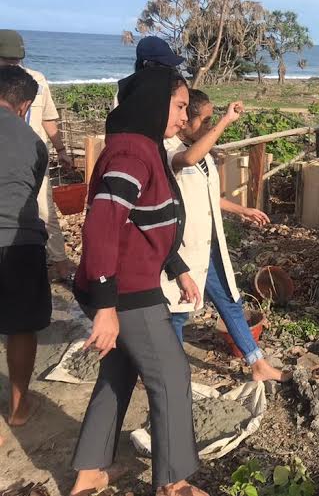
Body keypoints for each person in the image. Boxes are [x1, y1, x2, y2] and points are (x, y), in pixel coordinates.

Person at [70, 67, 207, 496]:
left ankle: (90, 470)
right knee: (170, 373)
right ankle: (174, 483)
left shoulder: (144, 147)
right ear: (152, 101)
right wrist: (107, 306)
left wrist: (176, 266)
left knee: (119, 371)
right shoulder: (131, 153)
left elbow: (147, 220)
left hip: (133, 282)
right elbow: (103, 226)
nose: (185, 118)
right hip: (126, 291)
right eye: (181, 106)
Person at [163, 89, 287, 382]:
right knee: (178, 311)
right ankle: (170, 373)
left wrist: (241, 209)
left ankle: (258, 364)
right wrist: (226, 121)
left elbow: (207, 196)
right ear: (185, 120)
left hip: (208, 243)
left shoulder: (200, 152)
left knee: (229, 300)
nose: (208, 127)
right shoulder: (168, 149)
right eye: (205, 121)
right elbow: (189, 160)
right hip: (183, 248)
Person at [0, 30, 75, 280]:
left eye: (16, 59)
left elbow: (48, 118)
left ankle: (60, 263)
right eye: (6, 59)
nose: (12, 64)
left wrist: (61, 150)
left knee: (44, 210)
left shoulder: (37, 80)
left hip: (32, 156)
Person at [0, 66, 48, 441]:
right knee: (20, 326)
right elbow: (29, 194)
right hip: (22, 241)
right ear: (25, 104)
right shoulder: (35, 141)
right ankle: (18, 407)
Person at [112, 36, 186, 108]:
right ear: (147, 65)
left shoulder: (124, 89)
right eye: (165, 66)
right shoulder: (124, 93)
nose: (171, 71)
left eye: (171, 66)